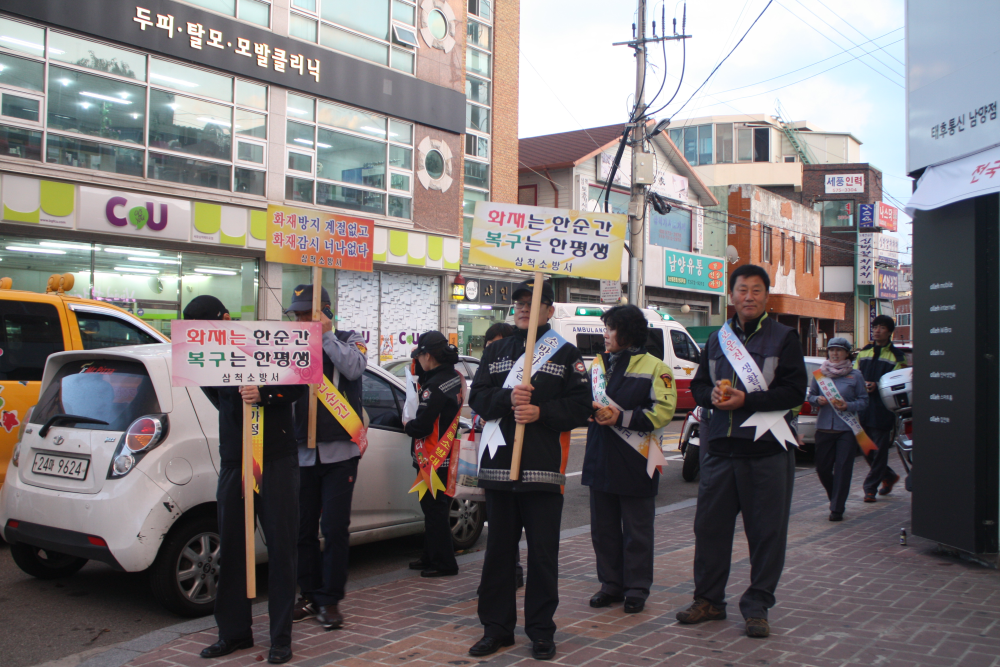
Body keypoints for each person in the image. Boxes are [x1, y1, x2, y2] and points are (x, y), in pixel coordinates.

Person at [676, 264, 807, 639]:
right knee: (710, 530)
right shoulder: (717, 339)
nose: (748, 297)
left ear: (766, 296)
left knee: (767, 534)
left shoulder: (785, 337)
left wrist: (746, 400)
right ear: (731, 295)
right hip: (718, 450)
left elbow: (795, 392)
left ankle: (757, 605)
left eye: (755, 290)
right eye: (741, 290)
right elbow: (699, 387)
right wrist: (714, 398)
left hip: (766, 451)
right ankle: (709, 601)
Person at [468, 278, 592, 661]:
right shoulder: (497, 351)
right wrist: (507, 398)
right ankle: (497, 628)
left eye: (533, 302)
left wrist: (542, 412)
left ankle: (541, 630)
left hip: (542, 472)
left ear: (549, 311)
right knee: (499, 555)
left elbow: (579, 406)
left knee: (542, 556)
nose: (524, 308)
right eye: (519, 302)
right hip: (499, 470)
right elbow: (478, 398)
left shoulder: (566, 355)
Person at [184, 295, 305, 665]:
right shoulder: (209, 352)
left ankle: (280, 638)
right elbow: (214, 392)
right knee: (233, 548)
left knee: (282, 549)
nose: (202, 335)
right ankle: (234, 633)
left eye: (206, 326)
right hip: (235, 460)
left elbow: (300, 383)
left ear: (224, 317)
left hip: (276, 460)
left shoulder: (267, 343)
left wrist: (265, 393)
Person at [582, 304, 676, 614]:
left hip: (637, 459)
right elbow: (586, 403)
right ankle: (611, 584)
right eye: (604, 327)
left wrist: (622, 417)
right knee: (603, 529)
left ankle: (637, 588)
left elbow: (663, 411)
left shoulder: (656, 367)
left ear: (629, 332)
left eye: (610, 328)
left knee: (637, 531)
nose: (605, 334)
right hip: (600, 457)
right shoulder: (598, 365)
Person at [286, 286, 368, 631]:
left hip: (340, 453)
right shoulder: (286, 343)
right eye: (299, 315)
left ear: (326, 312)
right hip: (301, 453)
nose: (303, 320)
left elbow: (354, 369)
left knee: (334, 528)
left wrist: (324, 336)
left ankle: (331, 599)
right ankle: (310, 593)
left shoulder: (351, 339)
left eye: (309, 313)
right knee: (302, 530)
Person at [403, 331, 464, 578]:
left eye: (419, 355)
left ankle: (444, 563)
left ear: (427, 355)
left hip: (433, 456)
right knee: (434, 509)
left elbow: (424, 425)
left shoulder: (435, 385)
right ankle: (431, 556)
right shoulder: (454, 377)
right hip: (444, 453)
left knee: (435, 511)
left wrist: (407, 425)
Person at [473, 321, 524, 589]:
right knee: (496, 523)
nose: (493, 350)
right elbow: (477, 401)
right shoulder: (489, 368)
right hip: (490, 451)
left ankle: (512, 569)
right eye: (489, 345)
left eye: (497, 344)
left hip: (516, 456)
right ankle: (497, 575)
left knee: (508, 520)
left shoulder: (521, 366)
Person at [806, 337, 869, 521]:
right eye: (832, 350)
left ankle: (837, 508)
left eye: (839, 350)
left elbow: (864, 401)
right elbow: (811, 396)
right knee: (823, 469)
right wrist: (818, 400)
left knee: (843, 468)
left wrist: (847, 406)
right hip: (824, 427)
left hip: (846, 430)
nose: (834, 353)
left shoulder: (855, 376)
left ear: (847, 353)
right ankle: (836, 496)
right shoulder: (819, 374)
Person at [856, 315, 907, 502]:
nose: (877, 330)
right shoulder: (863, 353)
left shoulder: (897, 357)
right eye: (875, 327)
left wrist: (877, 385)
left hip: (883, 410)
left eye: (882, 327)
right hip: (862, 409)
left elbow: (898, 381)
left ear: (890, 332)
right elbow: (854, 374)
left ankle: (870, 488)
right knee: (865, 449)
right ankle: (889, 476)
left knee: (879, 451)